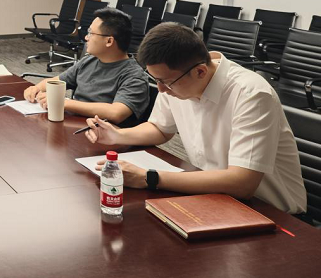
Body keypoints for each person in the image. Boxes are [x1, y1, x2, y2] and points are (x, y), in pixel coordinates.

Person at [84, 22, 306, 214]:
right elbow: (160, 129)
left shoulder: (251, 94)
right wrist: (118, 135)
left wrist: (147, 177)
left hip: (269, 211)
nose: (160, 90)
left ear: (200, 72)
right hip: (214, 195)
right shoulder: (178, 78)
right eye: (155, 80)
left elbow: (243, 183)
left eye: (166, 82)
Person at [23, 7, 149, 125]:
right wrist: (36, 88)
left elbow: (116, 112)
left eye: (90, 33)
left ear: (109, 41)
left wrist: (65, 103)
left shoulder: (134, 76)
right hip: (73, 124)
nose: (86, 37)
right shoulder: (89, 61)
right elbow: (57, 81)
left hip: (100, 133)